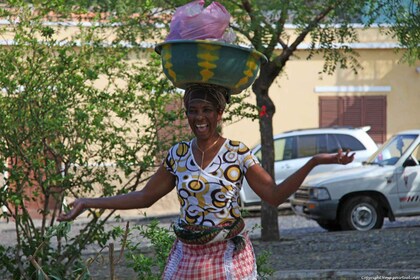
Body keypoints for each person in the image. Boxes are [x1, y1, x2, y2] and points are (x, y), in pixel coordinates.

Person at [58, 84, 355, 279]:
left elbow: (274, 196)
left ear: (220, 113)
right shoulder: (178, 154)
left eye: (206, 110)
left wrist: (314, 162)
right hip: (188, 254)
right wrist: (88, 202)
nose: (199, 118)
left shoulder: (237, 153)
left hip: (227, 255)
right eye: (193, 111)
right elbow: (145, 197)